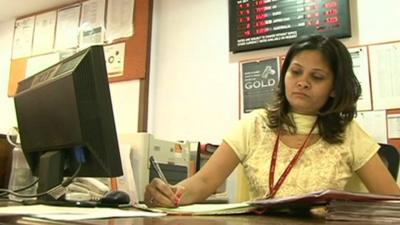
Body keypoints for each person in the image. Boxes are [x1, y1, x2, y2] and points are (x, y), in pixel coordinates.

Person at [144, 34, 400, 207]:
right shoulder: (254, 125)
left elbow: (392, 203)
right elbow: (204, 182)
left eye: (317, 76)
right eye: (296, 72)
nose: (302, 81)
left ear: (334, 88)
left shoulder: (349, 133)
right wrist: (166, 194)